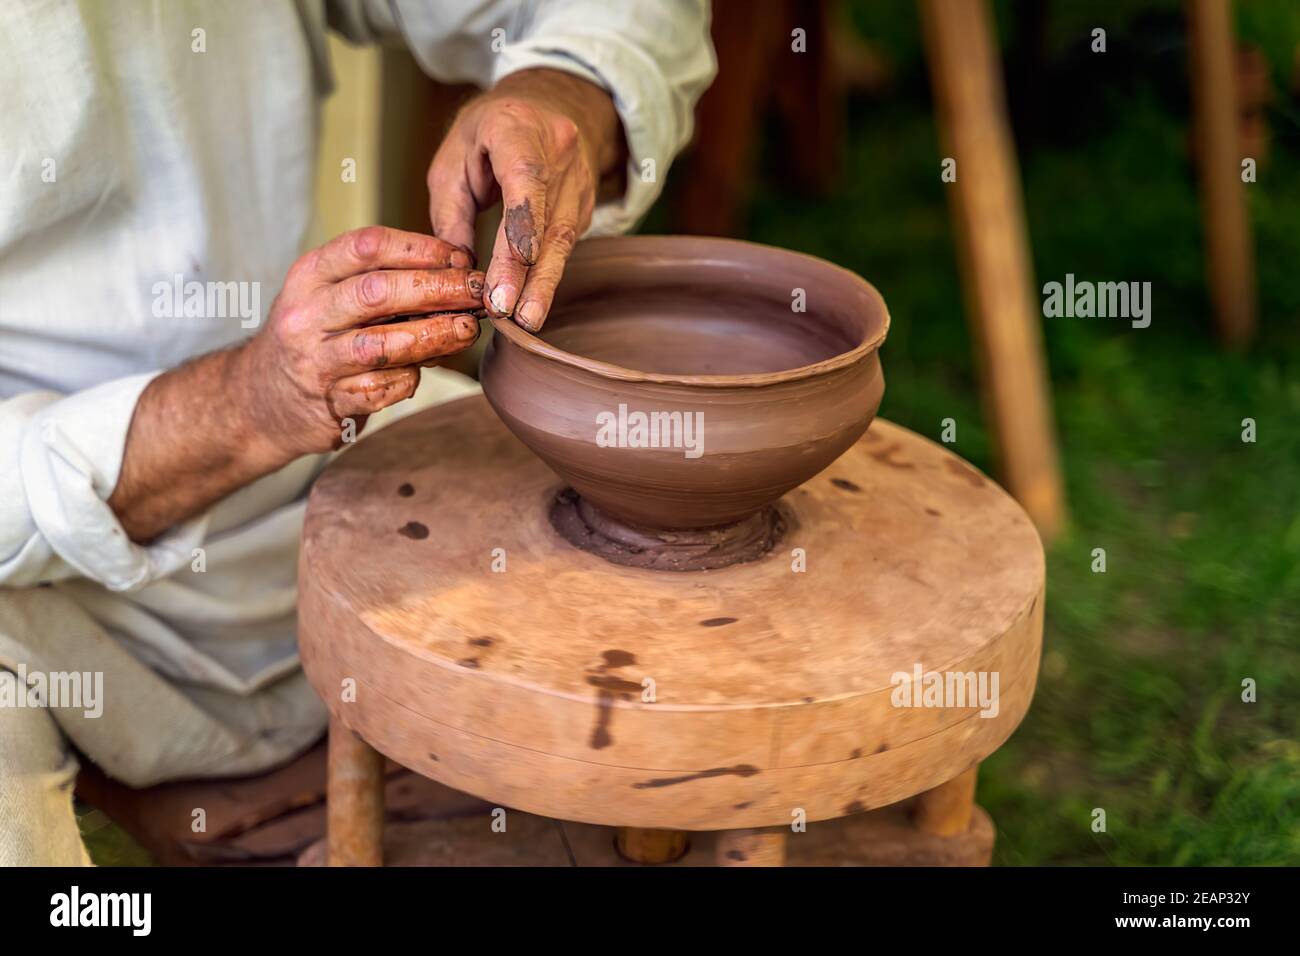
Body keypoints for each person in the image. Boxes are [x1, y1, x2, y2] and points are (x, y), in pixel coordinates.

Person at [0, 0, 715, 865]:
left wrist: (559, 93)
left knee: (676, 567)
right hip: (39, 584)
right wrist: (243, 404)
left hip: (324, 472)